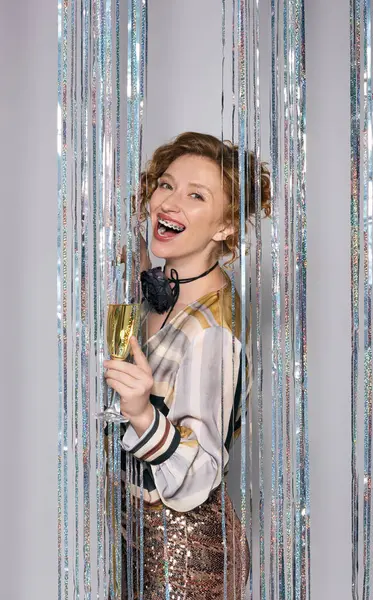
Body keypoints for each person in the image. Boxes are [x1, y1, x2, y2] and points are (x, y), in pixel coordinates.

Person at [104, 132, 271, 599]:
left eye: (196, 196)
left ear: (225, 228)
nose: (171, 202)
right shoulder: (165, 284)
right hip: (138, 538)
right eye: (167, 185)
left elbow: (200, 473)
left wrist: (141, 413)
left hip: (188, 558)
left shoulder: (212, 334)